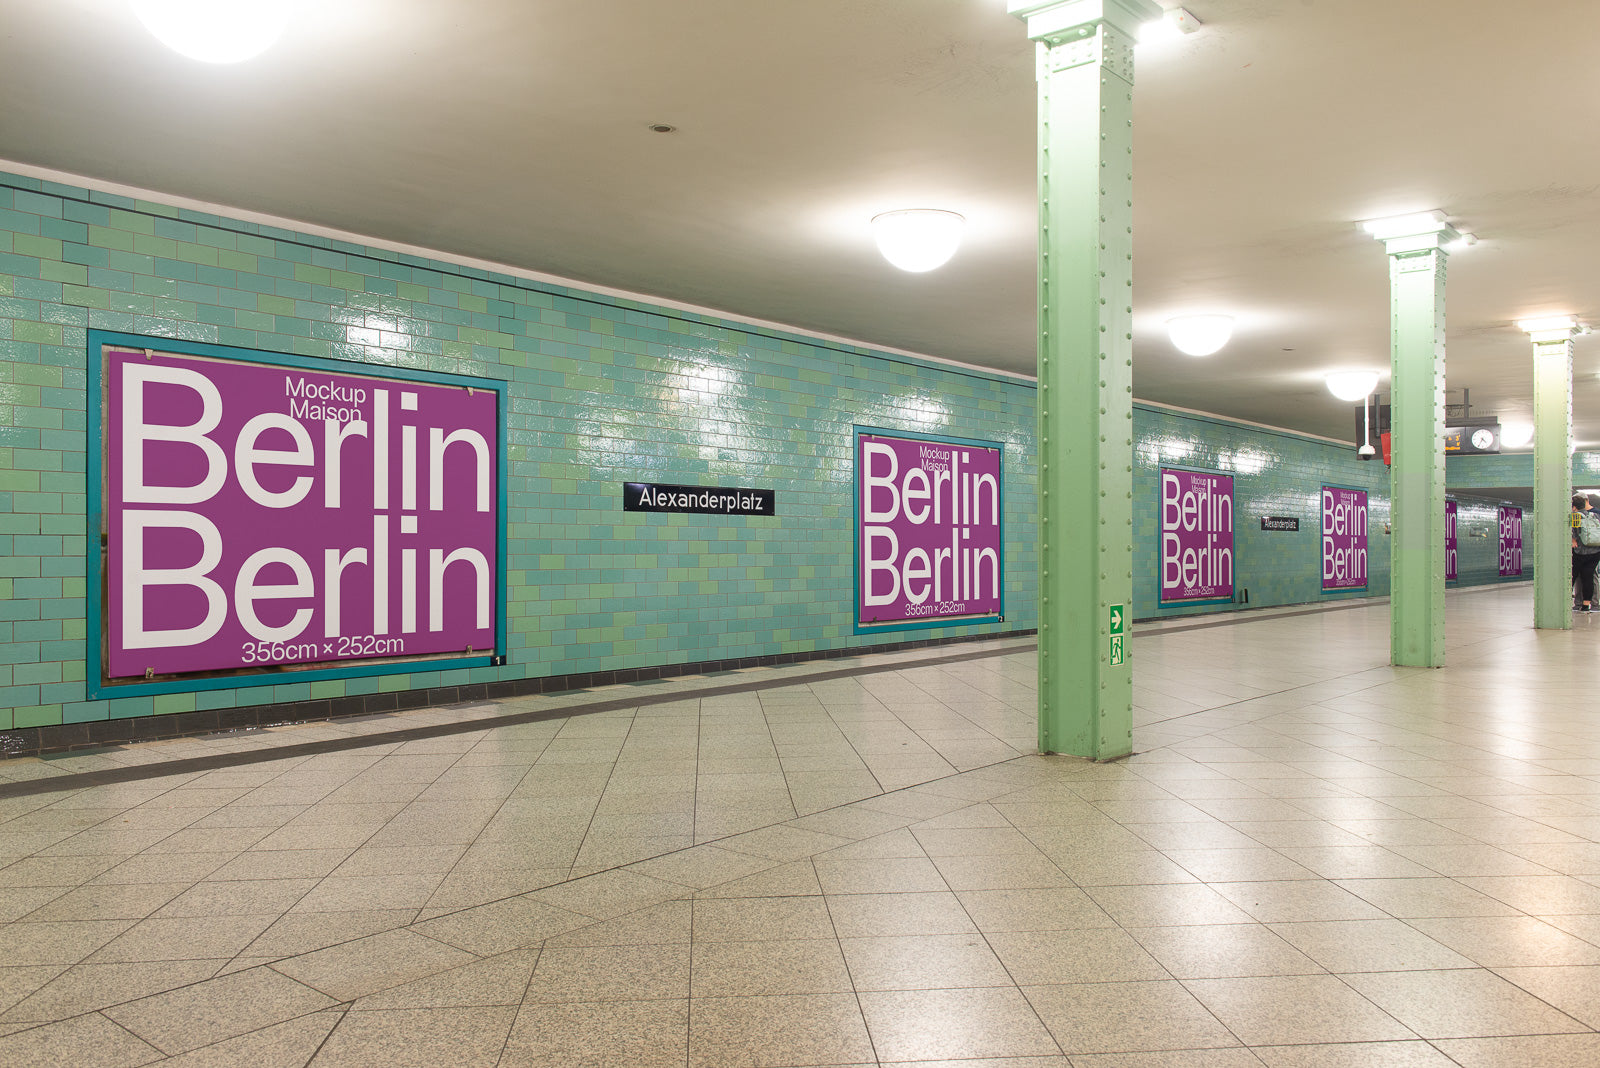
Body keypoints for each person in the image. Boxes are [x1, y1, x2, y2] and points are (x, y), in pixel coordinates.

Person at [1572, 494, 1600, 612]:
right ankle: (1585, 606)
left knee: (1572, 577)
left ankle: (1569, 602)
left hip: (1580, 552)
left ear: (1574, 507)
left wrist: (1573, 541)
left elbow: (1573, 533)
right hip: (1595, 551)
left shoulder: (1575, 516)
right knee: (1588, 578)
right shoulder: (1595, 515)